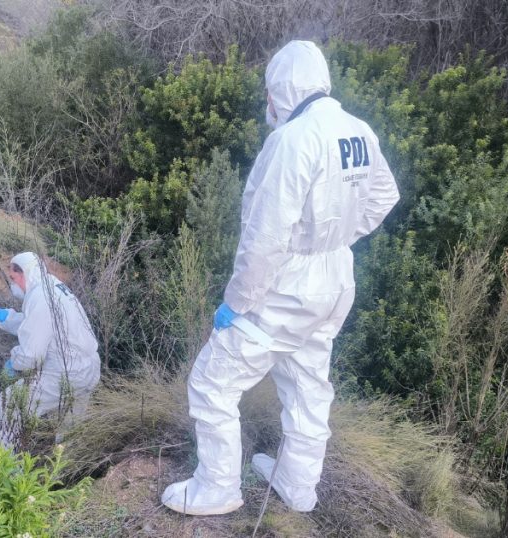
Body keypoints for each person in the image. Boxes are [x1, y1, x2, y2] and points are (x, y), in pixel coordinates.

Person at [161, 40, 400, 516]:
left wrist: (239, 302)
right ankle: (296, 484)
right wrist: (335, 238)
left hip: (288, 285)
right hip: (334, 278)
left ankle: (218, 487)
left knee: (212, 383)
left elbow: (265, 236)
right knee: (308, 382)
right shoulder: (358, 130)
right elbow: (384, 196)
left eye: (270, 93)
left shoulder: (292, 140)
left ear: (283, 88)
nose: (268, 104)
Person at [0, 252, 101, 448]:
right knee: (69, 432)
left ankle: (7, 469)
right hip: (88, 368)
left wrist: (14, 363)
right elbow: (39, 325)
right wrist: (5, 317)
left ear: (26, 273)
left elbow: (31, 355)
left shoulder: (40, 297)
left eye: (14, 278)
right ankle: (67, 473)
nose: (12, 284)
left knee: (7, 406)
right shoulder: (51, 286)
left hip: (67, 372)